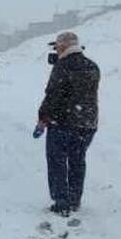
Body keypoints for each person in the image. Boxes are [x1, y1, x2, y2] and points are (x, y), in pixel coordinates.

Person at [37, 31, 100, 216]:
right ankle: (74, 199)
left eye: (57, 47)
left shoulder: (63, 66)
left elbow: (53, 95)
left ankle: (61, 200)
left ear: (63, 47)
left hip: (63, 122)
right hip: (87, 123)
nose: (56, 51)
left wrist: (43, 117)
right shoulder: (92, 66)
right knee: (77, 160)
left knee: (57, 161)